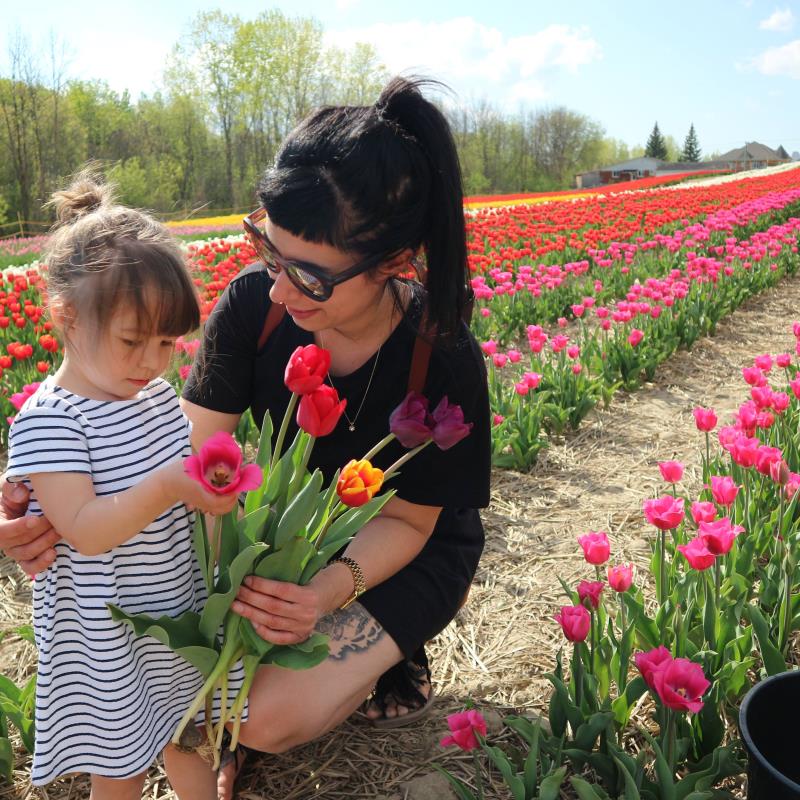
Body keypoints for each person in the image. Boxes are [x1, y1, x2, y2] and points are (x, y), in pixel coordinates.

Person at [0, 76, 491, 799]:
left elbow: (412, 518)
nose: (283, 291)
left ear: (394, 263)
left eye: (311, 278)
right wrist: (41, 496)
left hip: (388, 544)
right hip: (271, 536)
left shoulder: (439, 354)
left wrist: (324, 593)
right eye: (269, 250)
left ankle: (389, 655)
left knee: (257, 716)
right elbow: (190, 460)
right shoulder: (255, 309)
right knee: (206, 694)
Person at [2, 173, 242, 800]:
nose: (153, 362)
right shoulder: (52, 419)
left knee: (192, 733)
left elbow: (187, 495)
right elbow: (83, 528)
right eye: (134, 341)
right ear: (66, 317)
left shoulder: (158, 398)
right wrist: (169, 485)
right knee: (122, 763)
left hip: (173, 603)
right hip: (105, 624)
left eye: (168, 343)